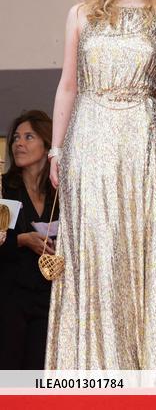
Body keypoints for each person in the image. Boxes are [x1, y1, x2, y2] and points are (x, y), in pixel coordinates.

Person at [45, 0, 156, 383]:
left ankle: (146, 377)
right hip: (89, 141)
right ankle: (87, 376)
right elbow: (67, 87)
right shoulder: (82, 14)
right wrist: (57, 152)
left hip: (144, 146)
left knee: (144, 257)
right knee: (94, 256)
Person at [0, 111, 58, 370]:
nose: (18, 143)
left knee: (39, 375)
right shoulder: (4, 187)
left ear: (47, 144)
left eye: (28, 136)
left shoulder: (59, 191)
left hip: (48, 298)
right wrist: (23, 240)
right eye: (15, 138)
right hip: (10, 299)